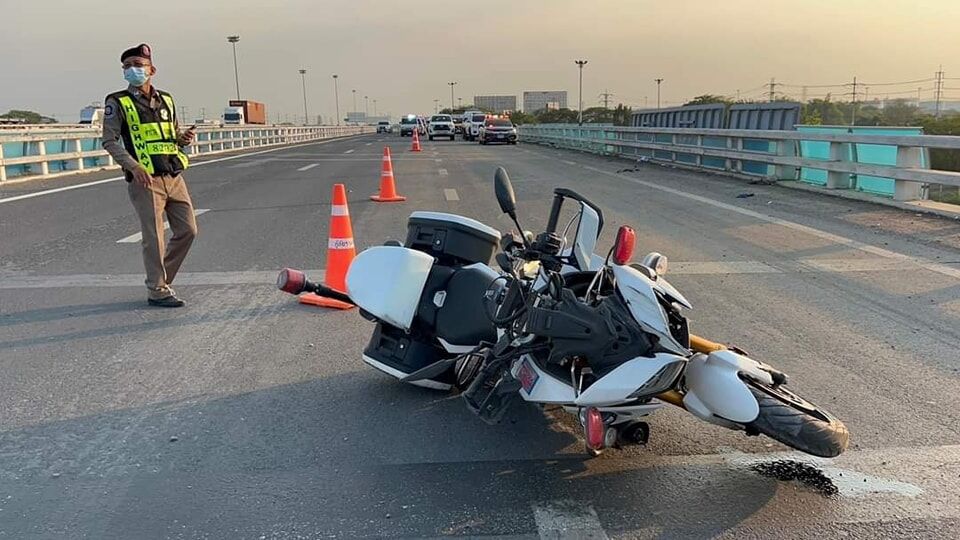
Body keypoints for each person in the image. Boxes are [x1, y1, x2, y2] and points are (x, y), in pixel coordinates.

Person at [102, 43, 198, 307]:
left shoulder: (167, 99)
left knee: (188, 230)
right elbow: (109, 141)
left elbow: (172, 136)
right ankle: (157, 290)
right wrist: (133, 166)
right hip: (145, 180)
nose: (132, 70)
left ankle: (161, 280)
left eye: (138, 65)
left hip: (173, 175)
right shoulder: (117, 102)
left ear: (152, 69)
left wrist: (183, 139)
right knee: (154, 236)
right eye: (127, 66)